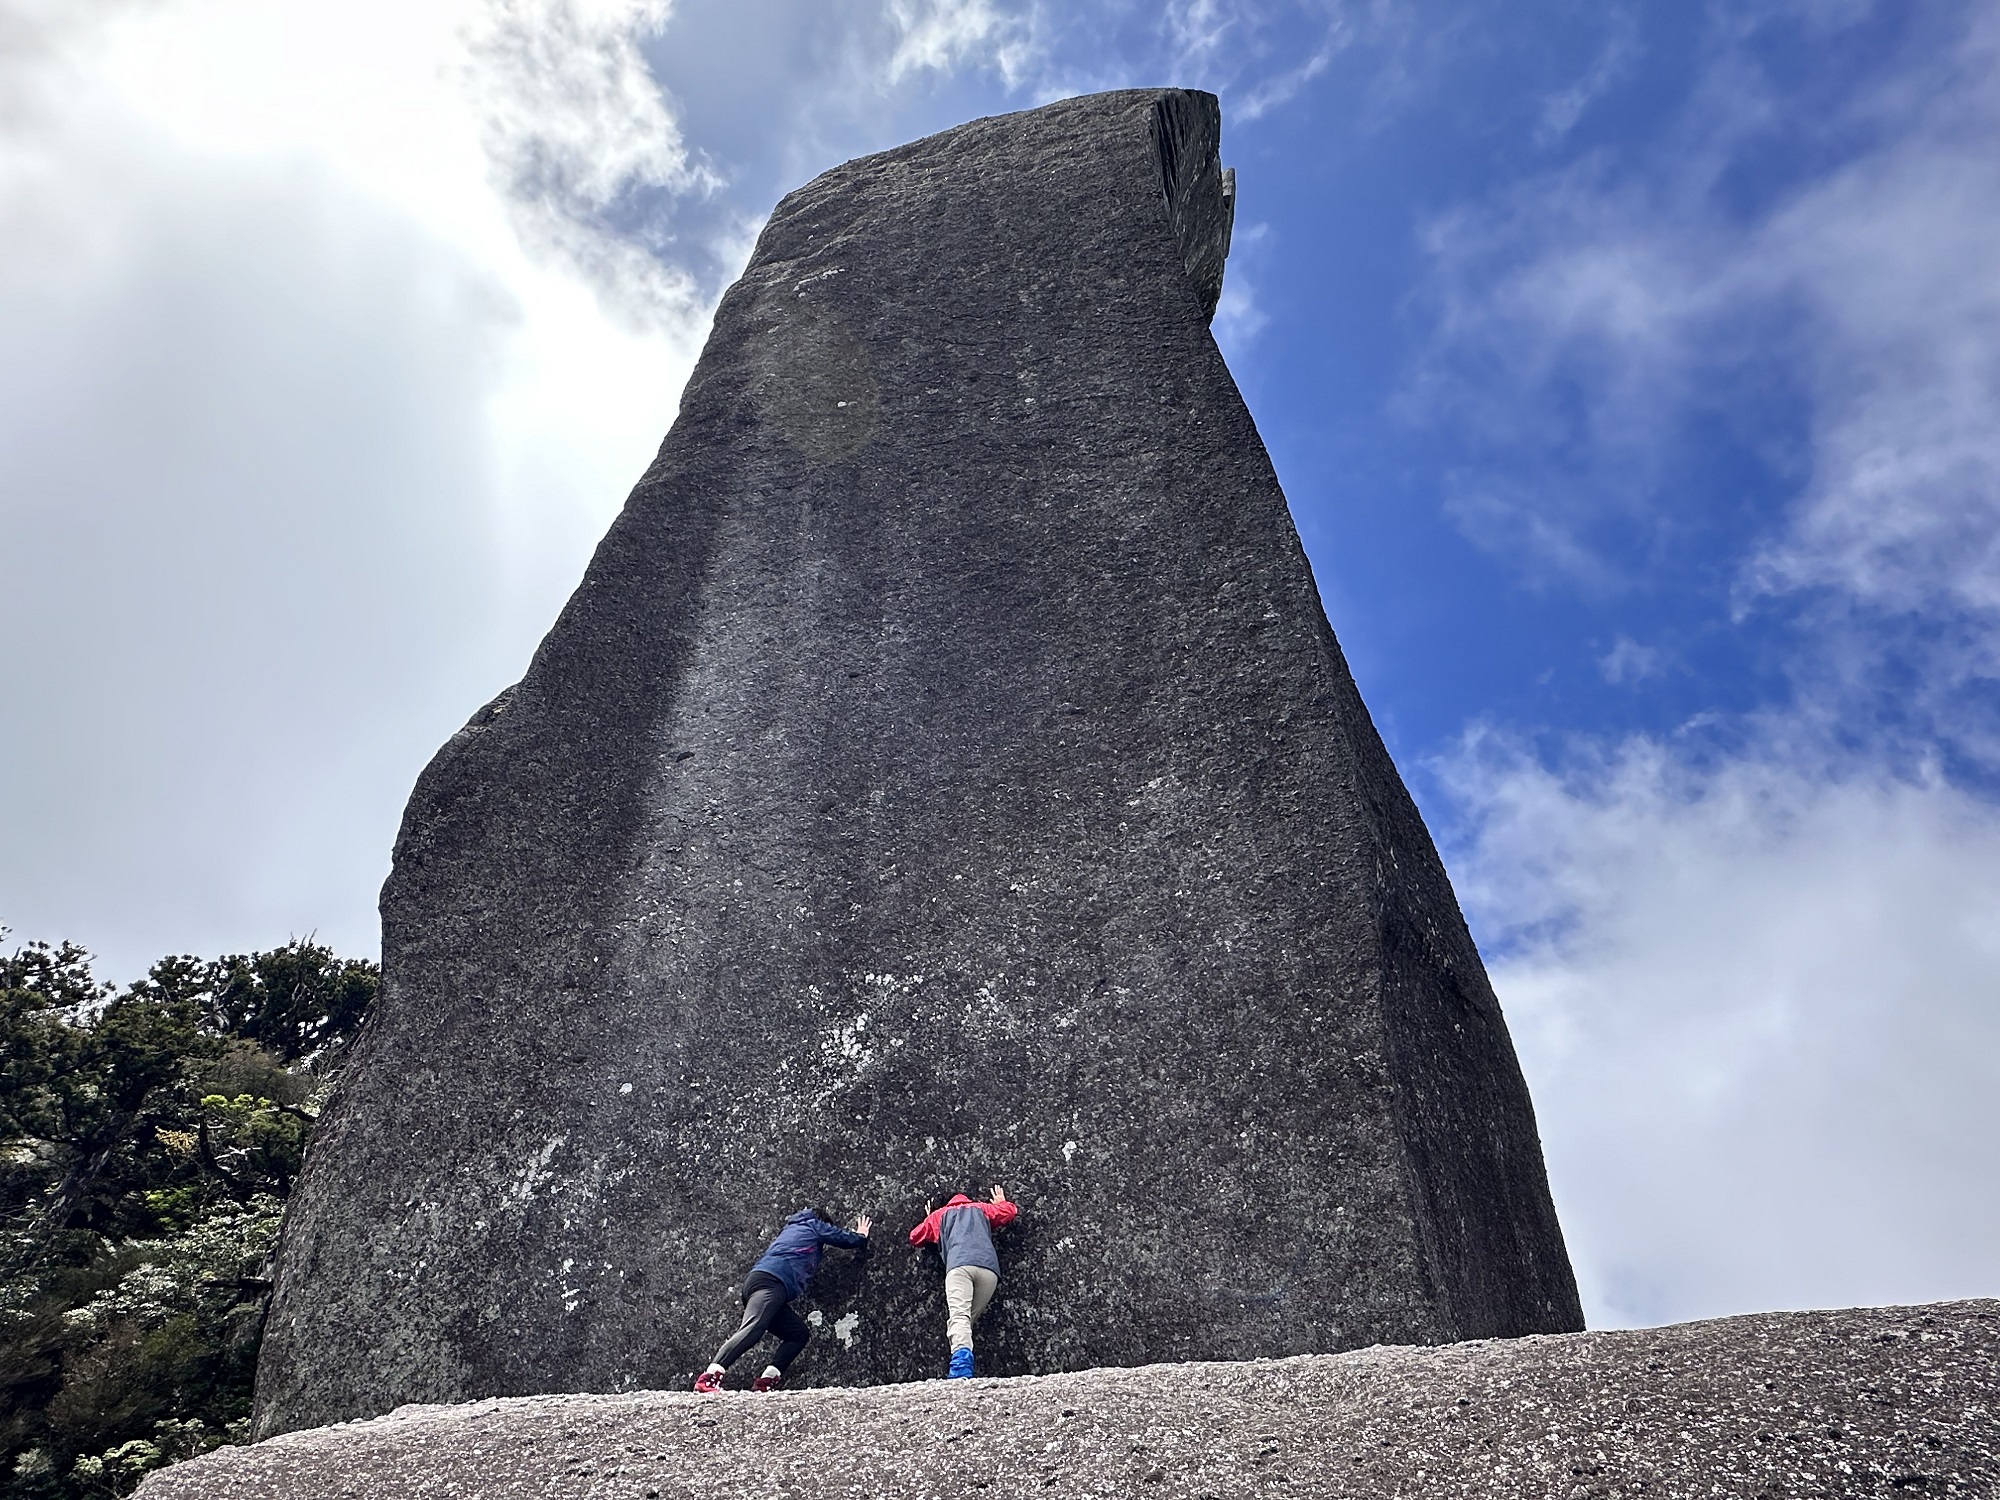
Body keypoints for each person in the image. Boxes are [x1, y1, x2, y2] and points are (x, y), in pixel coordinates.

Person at [694, 1207, 871, 1393]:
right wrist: (860, 1236)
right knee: (754, 1327)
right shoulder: (813, 1225)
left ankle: (765, 1382)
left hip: (765, 1282)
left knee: (797, 1334)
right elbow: (843, 1238)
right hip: (771, 1281)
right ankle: (709, 1378)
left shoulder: (791, 1229)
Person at [907, 1184, 1018, 1378]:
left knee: (959, 1317)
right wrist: (1001, 1203)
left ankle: (960, 1370)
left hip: (959, 1267)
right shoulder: (981, 1208)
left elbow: (915, 1237)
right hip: (989, 1271)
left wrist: (929, 1218)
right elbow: (1009, 1212)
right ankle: (962, 1363)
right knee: (967, 1320)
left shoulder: (939, 1215)